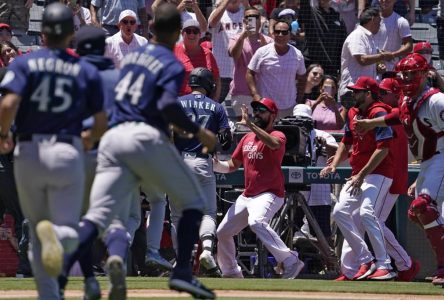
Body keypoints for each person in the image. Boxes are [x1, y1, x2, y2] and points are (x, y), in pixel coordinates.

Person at [63, 4, 217, 299]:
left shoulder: (131, 61)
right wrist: (198, 132)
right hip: (142, 140)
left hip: (112, 141)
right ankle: (179, 271)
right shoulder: (167, 61)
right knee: (192, 201)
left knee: (120, 214)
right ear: (175, 33)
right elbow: (168, 106)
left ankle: (95, 254)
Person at [0, 3, 107, 299]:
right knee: (68, 226)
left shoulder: (24, 62)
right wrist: (86, 139)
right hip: (66, 149)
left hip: (28, 150)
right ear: (71, 34)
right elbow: (101, 122)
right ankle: (59, 237)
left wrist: (2, 135)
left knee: (35, 229)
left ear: (42, 34)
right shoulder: (83, 67)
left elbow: (7, 105)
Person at [356, 53, 444, 285]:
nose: (406, 78)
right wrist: (370, 123)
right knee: (418, 212)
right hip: (428, 162)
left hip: (441, 157)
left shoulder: (436, 100)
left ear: (425, 74)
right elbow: (398, 117)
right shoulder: (408, 100)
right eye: (403, 74)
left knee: (423, 206)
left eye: (412, 73)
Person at [337, 77, 420, 281]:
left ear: (395, 94)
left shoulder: (396, 114)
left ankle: (403, 264)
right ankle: (353, 268)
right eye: (379, 92)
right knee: (353, 218)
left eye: (384, 93)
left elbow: (389, 146)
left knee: (371, 220)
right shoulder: (379, 114)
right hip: (369, 173)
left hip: (388, 175)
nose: (381, 96)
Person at [214, 98, 305, 279]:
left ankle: (290, 260)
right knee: (223, 232)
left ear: (273, 115)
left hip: (270, 193)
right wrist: (215, 164)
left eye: (262, 111)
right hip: (248, 195)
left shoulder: (279, 135)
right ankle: (231, 271)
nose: (257, 114)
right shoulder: (247, 138)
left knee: (257, 222)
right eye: (255, 110)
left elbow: (273, 144)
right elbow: (232, 165)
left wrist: (250, 125)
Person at [321, 76, 396, 280]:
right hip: (358, 174)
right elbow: (346, 141)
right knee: (340, 211)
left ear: (369, 93)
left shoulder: (378, 112)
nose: (354, 94)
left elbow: (383, 149)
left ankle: (385, 265)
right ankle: (365, 260)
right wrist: (335, 164)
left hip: (378, 173)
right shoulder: (354, 112)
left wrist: (362, 175)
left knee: (367, 213)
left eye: (358, 91)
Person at [171, 67, 232, 276]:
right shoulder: (216, 107)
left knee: (179, 215)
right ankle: (206, 249)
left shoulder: (178, 103)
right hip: (202, 162)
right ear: (208, 84)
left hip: (179, 163)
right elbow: (226, 140)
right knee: (207, 213)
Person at [246, 20, 306, 117]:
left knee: (284, 133)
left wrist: (298, 100)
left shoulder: (297, 55)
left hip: (288, 107)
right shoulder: (262, 52)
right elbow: (249, 73)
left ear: (290, 34)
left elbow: (302, 78)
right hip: (264, 106)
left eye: (284, 32)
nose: (280, 35)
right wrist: (255, 95)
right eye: (277, 32)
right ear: (273, 34)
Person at [338, 7, 391, 108]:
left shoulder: (368, 38)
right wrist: (382, 56)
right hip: (352, 91)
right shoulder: (358, 35)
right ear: (372, 19)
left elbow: (366, 62)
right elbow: (362, 60)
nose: (380, 26)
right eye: (379, 22)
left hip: (363, 92)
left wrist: (377, 68)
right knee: (353, 122)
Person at [228, 6, 273, 119]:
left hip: (263, 92)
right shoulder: (236, 38)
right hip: (241, 92)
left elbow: (267, 61)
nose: (252, 19)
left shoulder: (268, 41)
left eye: (255, 17)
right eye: (248, 17)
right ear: (244, 21)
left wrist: (261, 34)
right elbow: (234, 55)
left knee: (262, 128)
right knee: (243, 129)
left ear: (260, 19)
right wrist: (243, 36)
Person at [208, 0, 246, 103]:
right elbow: (212, 23)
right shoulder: (219, 11)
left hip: (241, 70)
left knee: (240, 109)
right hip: (221, 70)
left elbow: (253, 29)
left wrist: (246, 4)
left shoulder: (246, 12)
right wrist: (224, 3)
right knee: (216, 103)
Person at [174, 19, 221, 99]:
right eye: (188, 31)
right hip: (178, 102)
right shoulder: (173, 51)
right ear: (182, 33)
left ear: (200, 35)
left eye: (195, 31)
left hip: (202, 104)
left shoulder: (208, 54)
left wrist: (215, 100)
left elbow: (216, 79)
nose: (192, 34)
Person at [298, 0, 347, 76]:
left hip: (331, 68)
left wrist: (340, 68)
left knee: (328, 88)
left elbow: (342, 44)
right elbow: (304, 4)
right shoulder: (311, 13)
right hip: (312, 65)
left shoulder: (338, 17)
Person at [373, 0, 413, 72]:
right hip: (371, 68)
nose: (385, 1)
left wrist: (392, 55)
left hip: (390, 70)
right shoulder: (370, 20)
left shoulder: (402, 22)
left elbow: (409, 46)